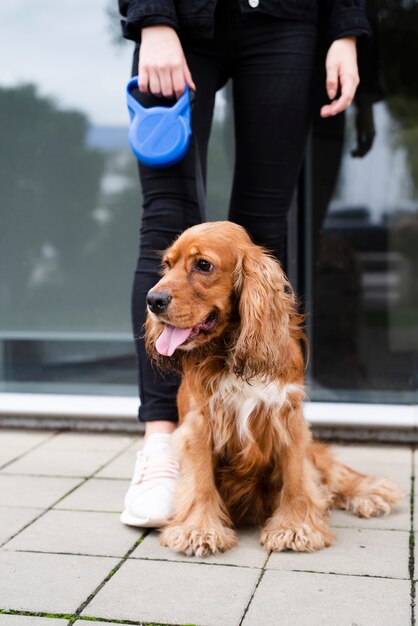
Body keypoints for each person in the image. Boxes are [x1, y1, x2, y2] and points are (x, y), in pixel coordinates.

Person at [118, 0, 370, 528]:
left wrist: (345, 29)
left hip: (286, 19)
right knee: (165, 219)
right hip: (180, 19)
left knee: (264, 228)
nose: (163, 293)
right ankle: (163, 445)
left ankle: (273, 426)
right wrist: (152, 19)